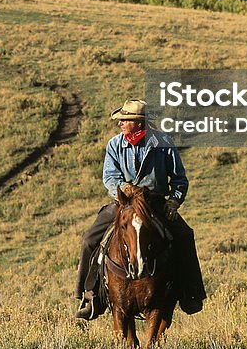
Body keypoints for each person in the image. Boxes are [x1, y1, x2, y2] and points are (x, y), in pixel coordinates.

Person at [75, 98, 207, 320]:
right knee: (90, 239)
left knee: (185, 235)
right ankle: (88, 295)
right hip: (124, 204)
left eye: (125, 120)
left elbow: (179, 179)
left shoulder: (163, 143)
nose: (121, 124)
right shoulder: (114, 145)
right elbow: (109, 176)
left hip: (155, 204)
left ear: (138, 123)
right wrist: (124, 187)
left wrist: (174, 202)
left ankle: (191, 293)